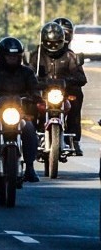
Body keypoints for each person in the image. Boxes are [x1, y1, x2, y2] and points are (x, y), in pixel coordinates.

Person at [0, 37, 41, 182]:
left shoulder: (27, 73)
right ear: (1, 56)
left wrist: (35, 96)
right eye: (9, 56)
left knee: (29, 129)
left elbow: (35, 89)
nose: (12, 59)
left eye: (16, 56)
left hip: (19, 114)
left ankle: (30, 167)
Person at [28, 18, 87, 156]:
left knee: (76, 96)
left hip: (63, 92)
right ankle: (30, 135)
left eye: (56, 43)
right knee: (28, 102)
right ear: (43, 41)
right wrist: (35, 81)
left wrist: (67, 81)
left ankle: (74, 139)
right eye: (49, 43)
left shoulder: (69, 56)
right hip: (42, 92)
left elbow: (81, 77)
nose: (53, 46)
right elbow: (27, 72)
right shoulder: (36, 56)